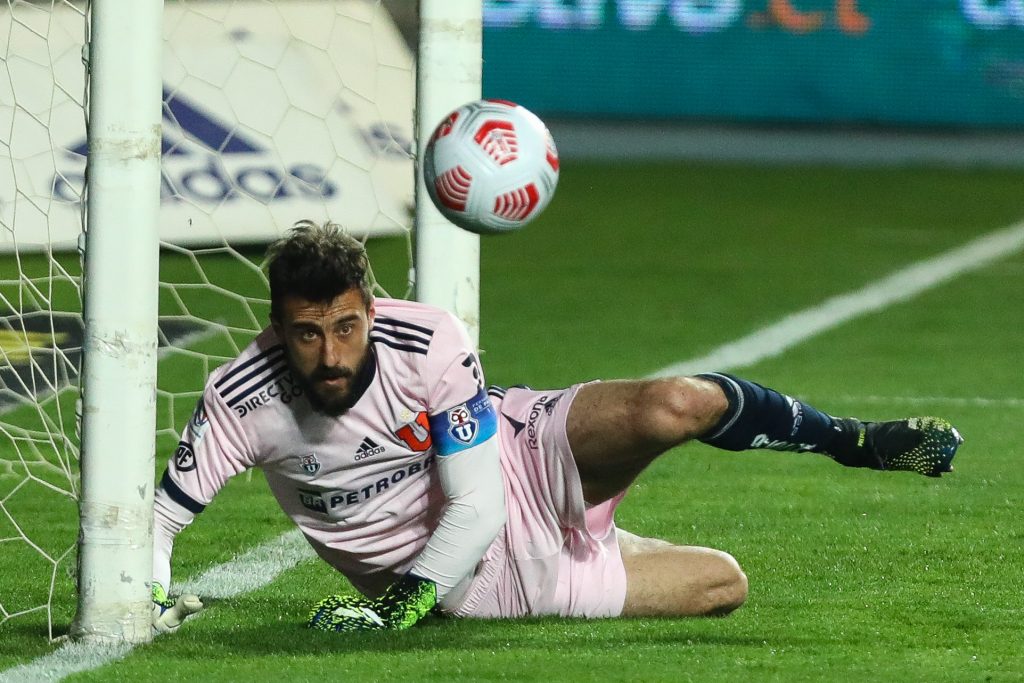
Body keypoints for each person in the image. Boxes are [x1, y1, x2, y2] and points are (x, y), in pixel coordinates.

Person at [150, 219, 963, 634]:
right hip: (492, 586)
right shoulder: (242, 397)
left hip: (516, 463)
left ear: (372, 308)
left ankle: (850, 439)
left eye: (346, 327)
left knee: (675, 402)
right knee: (726, 583)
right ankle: (606, 540)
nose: (330, 355)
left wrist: (397, 604)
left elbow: (474, 501)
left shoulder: (427, 337)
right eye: (305, 333)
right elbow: (156, 517)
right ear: (275, 326)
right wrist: (143, 592)